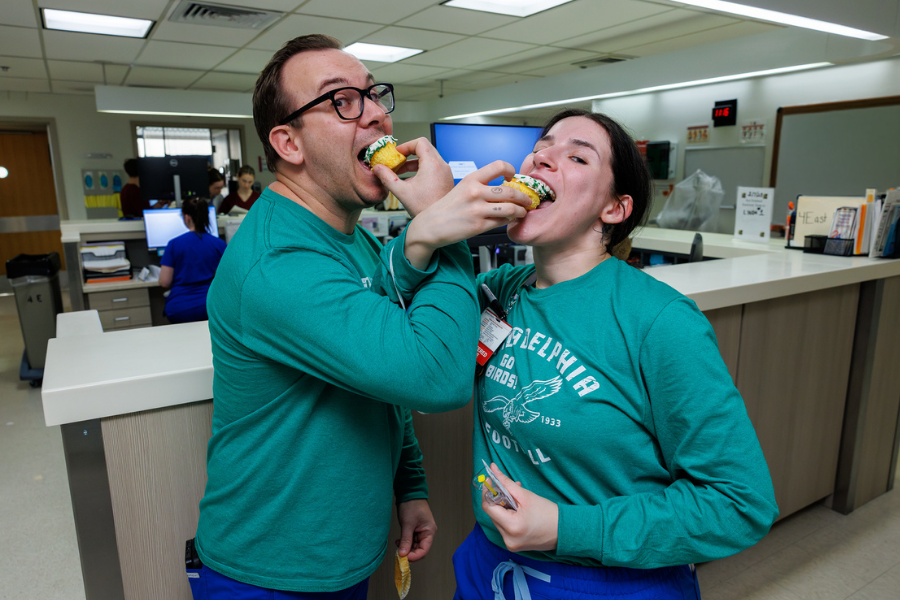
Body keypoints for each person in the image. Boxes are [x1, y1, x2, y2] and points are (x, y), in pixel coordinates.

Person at [190, 34, 530, 600]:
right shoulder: (278, 262)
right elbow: (436, 376)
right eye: (342, 101)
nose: (375, 114)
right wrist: (441, 223)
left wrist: (409, 484)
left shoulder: (355, 240)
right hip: (269, 571)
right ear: (288, 143)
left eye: (373, 95)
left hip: (345, 555)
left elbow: (383, 374)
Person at [453, 109, 779, 599]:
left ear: (613, 208)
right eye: (541, 148)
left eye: (578, 157)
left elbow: (740, 503)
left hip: (605, 578)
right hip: (489, 565)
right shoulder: (499, 289)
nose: (542, 158)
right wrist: (436, 224)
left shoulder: (659, 322)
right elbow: (400, 327)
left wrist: (566, 528)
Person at [158, 196, 227, 324]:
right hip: (209, 307)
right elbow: (227, 279)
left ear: (187, 218)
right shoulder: (219, 244)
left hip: (179, 310)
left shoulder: (174, 244)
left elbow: (165, 282)